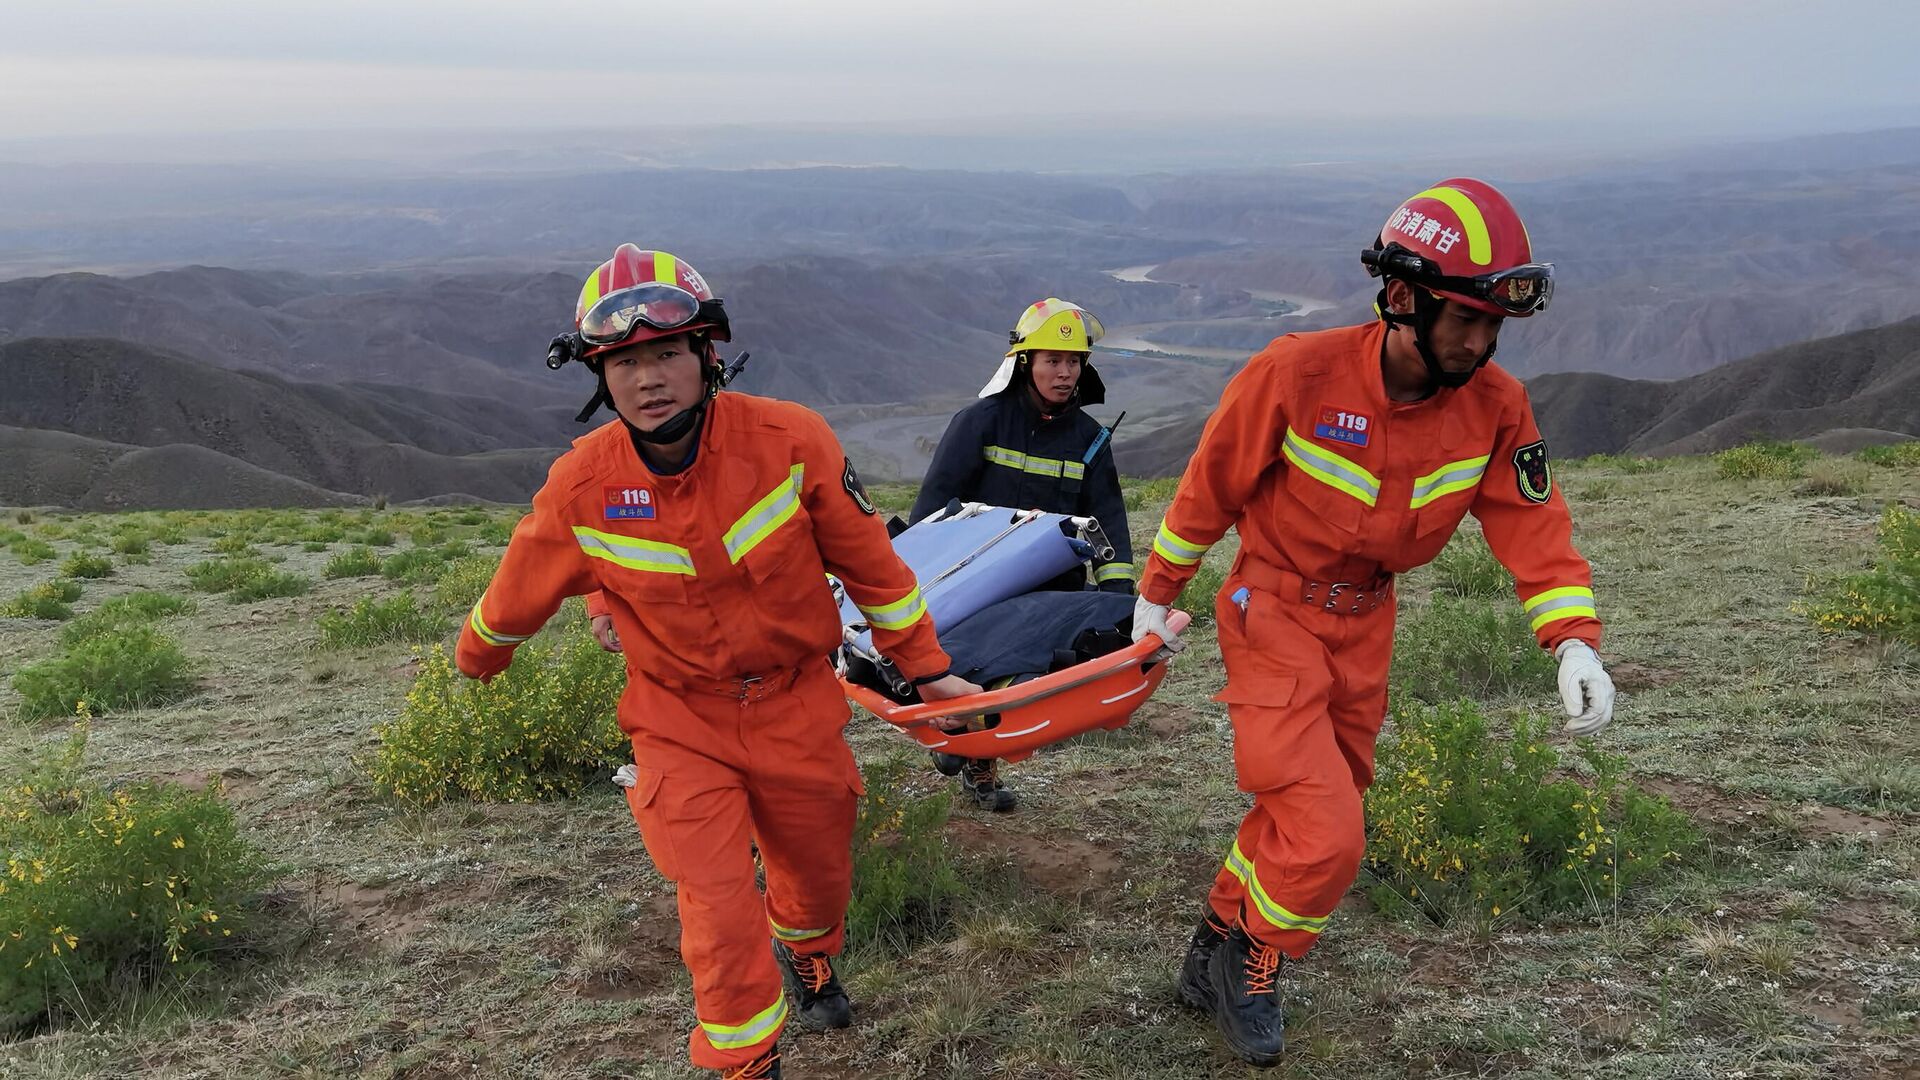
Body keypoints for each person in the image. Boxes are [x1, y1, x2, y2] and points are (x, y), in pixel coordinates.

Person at [457, 244, 979, 1080]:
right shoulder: (580, 486)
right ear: (600, 375)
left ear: (706, 356)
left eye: (666, 352)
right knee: (716, 906)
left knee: (816, 880)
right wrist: (478, 659)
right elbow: (516, 590)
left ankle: (806, 952)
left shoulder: (790, 440)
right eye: (623, 361)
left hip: (797, 704)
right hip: (677, 721)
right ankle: (744, 1062)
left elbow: (873, 569)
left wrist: (926, 668)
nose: (648, 377)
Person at [1130, 180, 1617, 1067]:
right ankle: (1257, 962)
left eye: (1492, 325)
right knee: (1326, 835)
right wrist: (1157, 593)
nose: (1479, 341)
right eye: (1463, 319)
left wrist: (1572, 637)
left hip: (1367, 626)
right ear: (1402, 298)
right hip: (1269, 610)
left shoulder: (1497, 404)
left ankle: (1211, 944)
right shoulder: (1295, 373)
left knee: (1307, 810)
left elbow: (1531, 524)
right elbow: (1211, 486)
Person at [907, 297, 1134, 811]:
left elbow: (1110, 521)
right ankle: (972, 756)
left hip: (1052, 592)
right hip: (976, 582)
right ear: (1025, 362)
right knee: (976, 671)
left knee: (1017, 681)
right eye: (1053, 360)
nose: (1065, 372)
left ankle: (970, 747)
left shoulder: (1091, 441)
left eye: (1074, 361)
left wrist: (1119, 600)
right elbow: (933, 507)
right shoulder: (981, 422)